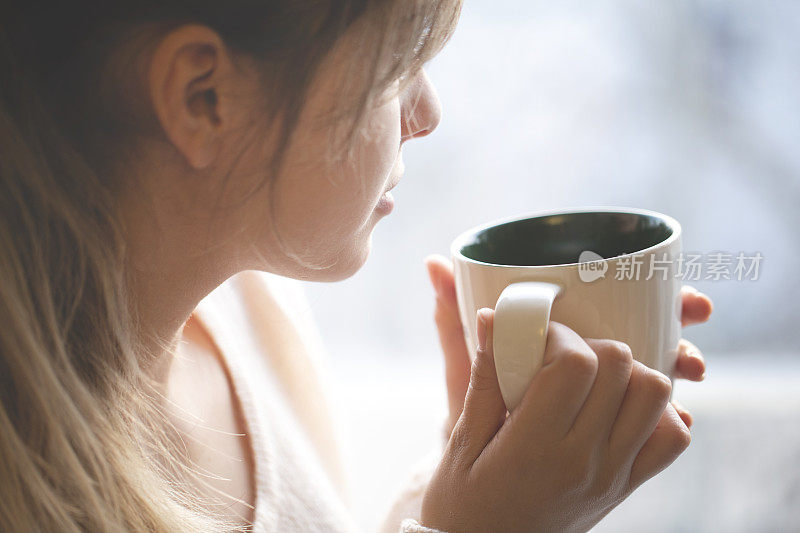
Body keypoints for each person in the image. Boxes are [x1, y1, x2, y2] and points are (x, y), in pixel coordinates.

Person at [0, 1, 712, 531]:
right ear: (203, 98)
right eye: (399, 66)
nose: (427, 112)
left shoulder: (253, 316)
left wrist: (467, 473)